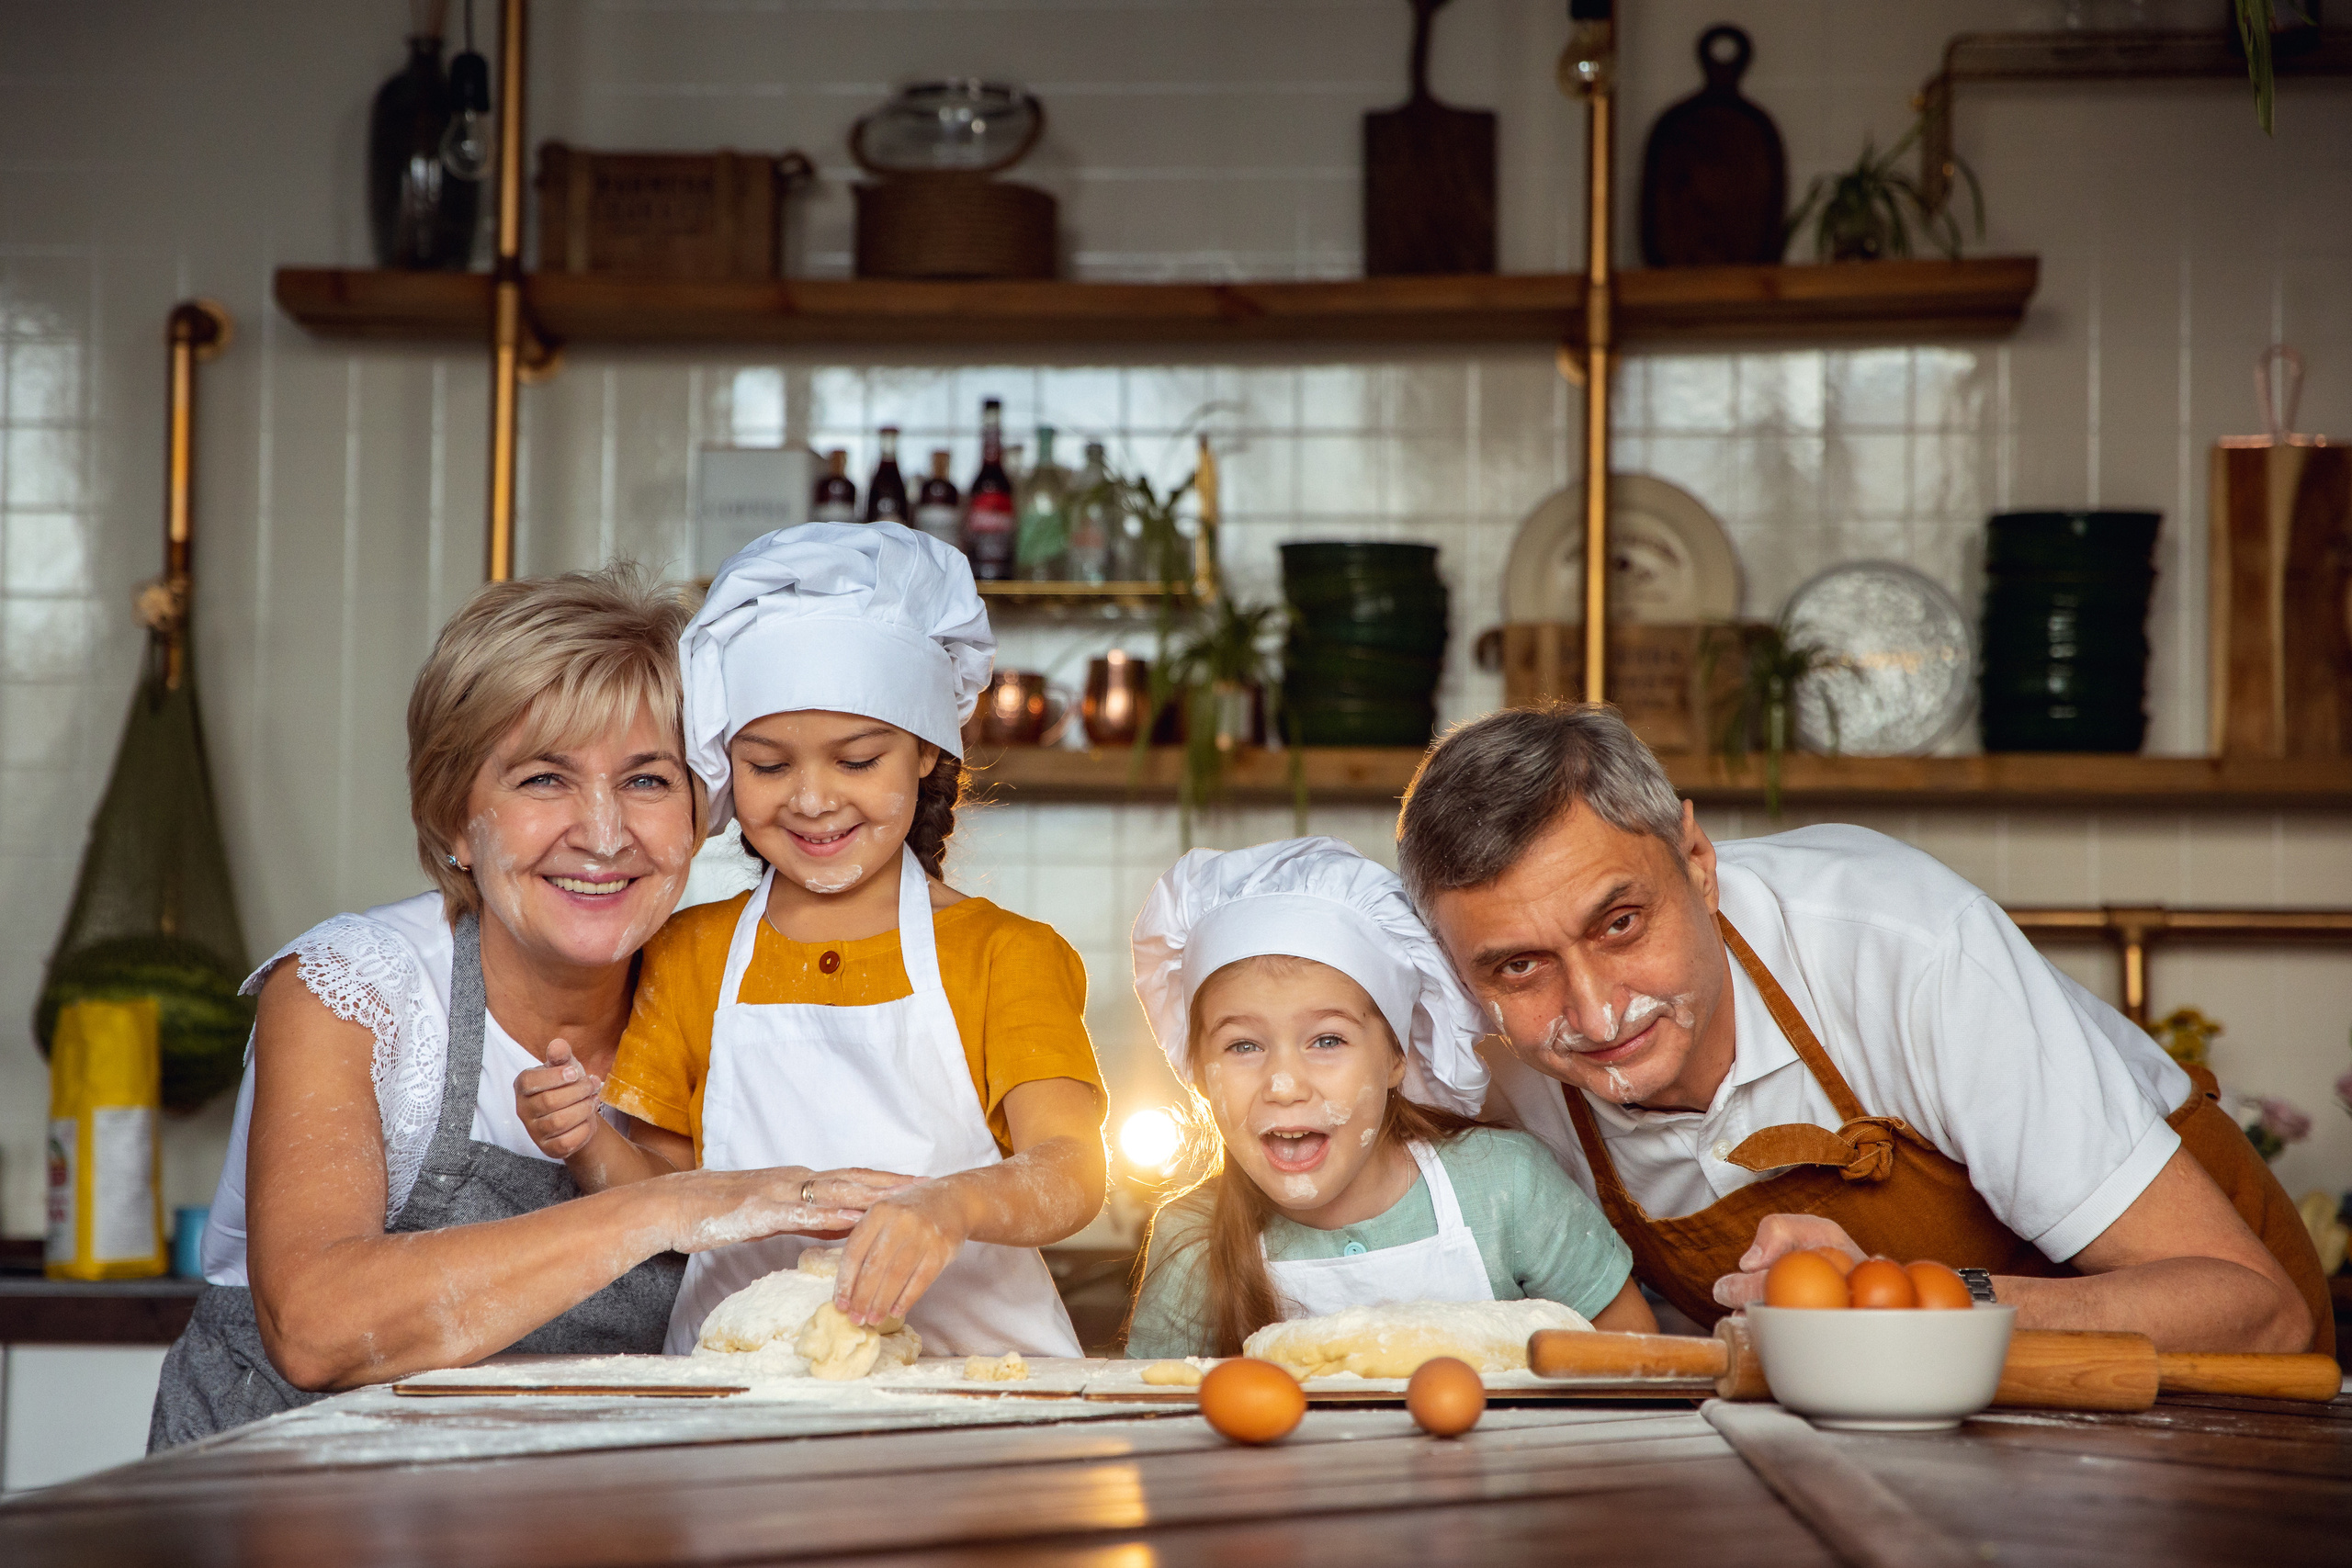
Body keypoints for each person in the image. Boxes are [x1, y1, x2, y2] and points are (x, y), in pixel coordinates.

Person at [150, 567, 866, 1450]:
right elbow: (317, 1326)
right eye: (542, 780)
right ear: (456, 817)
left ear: (698, 814)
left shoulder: (737, 1010)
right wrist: (670, 1206)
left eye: (646, 781)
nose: (602, 835)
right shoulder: (354, 993)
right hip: (289, 1518)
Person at [1396, 704, 2330, 1355]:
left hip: (2211, 1407)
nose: (1597, 1013)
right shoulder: (1471, 1048)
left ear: (1697, 861)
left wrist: (1902, 1303)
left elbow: (2256, 1312)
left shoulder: (1903, 944)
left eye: (1620, 924)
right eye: (1518, 966)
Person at [516, 522, 1104, 1357]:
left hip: (978, 1393)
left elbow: (1072, 1169)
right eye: (767, 765)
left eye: (857, 760)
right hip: (744, 1397)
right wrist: (585, 1141)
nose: (812, 799)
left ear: (928, 756)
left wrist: (950, 1207)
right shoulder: (691, 953)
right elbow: (667, 1200)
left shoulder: (1002, 952)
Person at [1123, 838, 1655, 1359]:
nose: (1284, 1085)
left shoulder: (1505, 1185)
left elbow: (1636, 1357)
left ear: (1396, 1057)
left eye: (1327, 1040)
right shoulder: (1192, 1241)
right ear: (1198, 1069)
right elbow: (1155, 1415)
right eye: (1243, 1045)